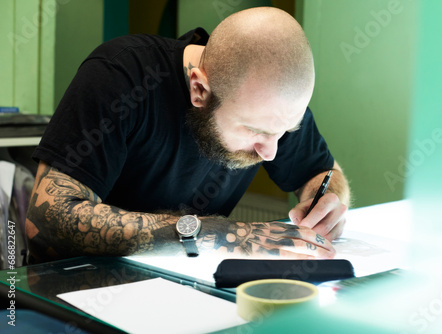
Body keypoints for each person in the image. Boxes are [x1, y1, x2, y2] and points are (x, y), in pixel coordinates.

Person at [26, 7, 350, 264]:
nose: (270, 151)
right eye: (255, 131)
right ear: (199, 89)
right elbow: (47, 218)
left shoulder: (270, 104)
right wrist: (215, 234)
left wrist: (329, 201)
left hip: (184, 281)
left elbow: (320, 172)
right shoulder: (120, 75)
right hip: (77, 288)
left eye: (285, 131)